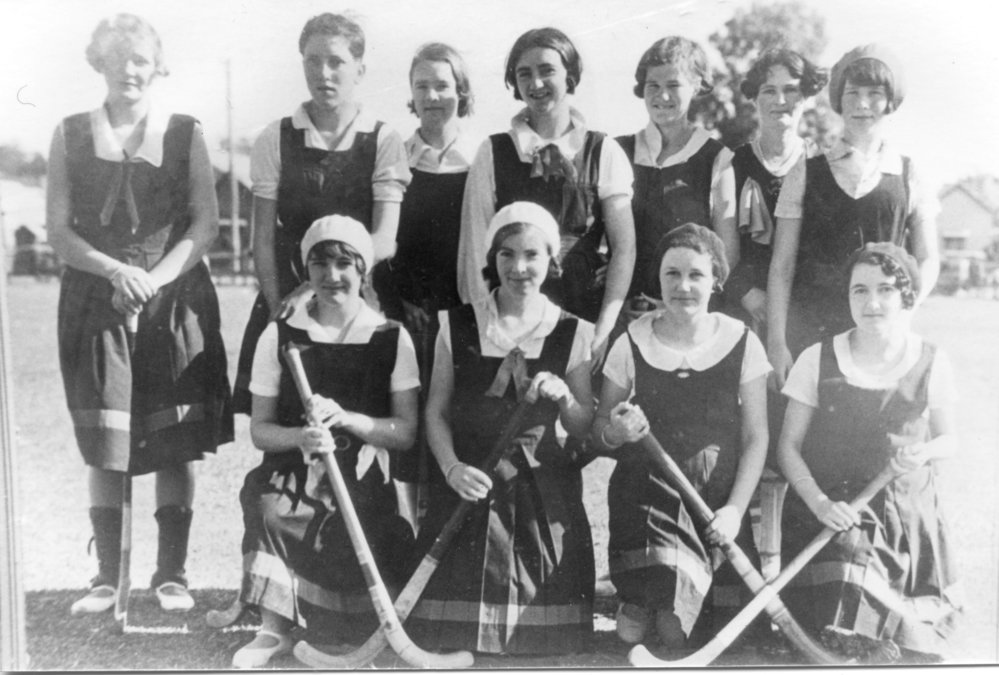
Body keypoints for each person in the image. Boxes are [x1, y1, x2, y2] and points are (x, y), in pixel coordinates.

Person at [47, 13, 232, 616]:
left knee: (173, 439)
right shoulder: (70, 133)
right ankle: (107, 577)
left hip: (172, 297)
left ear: (157, 65)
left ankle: (170, 574)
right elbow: (59, 230)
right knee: (108, 439)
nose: (130, 68)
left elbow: (204, 225)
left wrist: (150, 278)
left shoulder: (185, 132)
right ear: (97, 60)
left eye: (141, 58)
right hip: (96, 297)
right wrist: (115, 271)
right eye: (117, 56)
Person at [406, 202, 597, 655]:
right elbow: (435, 412)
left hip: (540, 489)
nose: (519, 267)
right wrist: (452, 469)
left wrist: (565, 397)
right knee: (443, 629)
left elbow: (583, 421)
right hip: (470, 481)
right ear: (492, 259)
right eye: (506, 254)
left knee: (545, 642)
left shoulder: (573, 332)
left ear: (552, 261)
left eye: (532, 255)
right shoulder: (457, 323)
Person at [232, 216, 419, 669]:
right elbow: (260, 429)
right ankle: (272, 629)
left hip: (360, 477)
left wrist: (352, 420)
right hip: (294, 471)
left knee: (377, 541)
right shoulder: (280, 335)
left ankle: (347, 622)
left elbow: (406, 432)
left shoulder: (391, 336)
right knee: (268, 506)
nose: (332, 275)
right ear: (305, 269)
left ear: (362, 270)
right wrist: (301, 436)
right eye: (319, 263)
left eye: (343, 263)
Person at [777, 243, 961, 660]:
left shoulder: (930, 359)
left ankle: (877, 639)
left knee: (908, 647)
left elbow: (951, 440)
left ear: (906, 297)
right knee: (844, 569)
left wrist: (925, 450)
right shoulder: (817, 358)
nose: (872, 302)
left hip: (904, 512)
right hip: (835, 509)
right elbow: (788, 447)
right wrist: (820, 503)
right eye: (859, 290)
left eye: (885, 290)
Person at [592, 224, 769, 649]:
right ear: (658, 279)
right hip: (647, 491)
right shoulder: (631, 340)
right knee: (646, 634)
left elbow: (757, 437)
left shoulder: (742, 342)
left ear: (716, 282)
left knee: (680, 634)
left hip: (714, 498)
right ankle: (641, 599)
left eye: (696, 275)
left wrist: (734, 511)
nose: (683, 286)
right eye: (672, 274)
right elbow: (599, 433)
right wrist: (616, 430)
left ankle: (653, 603)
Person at [231, 12, 411, 413]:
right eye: (312, 61)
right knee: (289, 423)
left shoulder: (383, 139)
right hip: (288, 297)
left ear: (360, 70)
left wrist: (314, 286)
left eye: (336, 62)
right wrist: (281, 313)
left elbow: (384, 239)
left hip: (360, 298)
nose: (323, 73)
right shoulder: (275, 137)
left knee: (362, 423)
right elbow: (261, 240)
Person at [767, 44, 940, 387]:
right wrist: (776, 342)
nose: (862, 104)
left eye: (875, 94)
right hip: (811, 331)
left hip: (880, 331)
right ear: (838, 100)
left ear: (890, 101)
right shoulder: (805, 171)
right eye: (853, 93)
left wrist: (905, 308)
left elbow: (928, 257)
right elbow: (782, 267)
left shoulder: (908, 174)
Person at [456, 27, 635, 357]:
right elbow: (475, 249)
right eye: (524, 74)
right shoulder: (494, 151)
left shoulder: (603, 150)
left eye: (547, 70)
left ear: (570, 75)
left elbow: (624, 249)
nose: (535, 84)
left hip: (584, 317)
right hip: (509, 322)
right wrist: (487, 327)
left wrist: (603, 330)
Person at [380, 43, 478, 500]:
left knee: (460, 429)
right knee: (410, 435)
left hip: (464, 312)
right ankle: (410, 543)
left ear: (461, 90)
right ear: (411, 95)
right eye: (422, 86)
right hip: (409, 314)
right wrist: (396, 305)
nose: (433, 96)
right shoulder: (393, 154)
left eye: (443, 85)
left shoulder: (483, 158)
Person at [615, 37, 737, 321]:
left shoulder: (716, 157)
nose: (662, 96)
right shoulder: (618, 151)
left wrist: (681, 303)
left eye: (673, 86)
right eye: (653, 86)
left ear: (695, 86)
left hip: (690, 313)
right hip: (628, 311)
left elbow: (727, 253)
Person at [725, 48, 828, 336]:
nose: (780, 101)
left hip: (805, 311)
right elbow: (718, 246)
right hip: (742, 308)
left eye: (791, 90)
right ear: (755, 98)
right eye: (769, 91)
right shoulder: (730, 165)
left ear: (806, 97)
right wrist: (746, 293)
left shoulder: (823, 167)